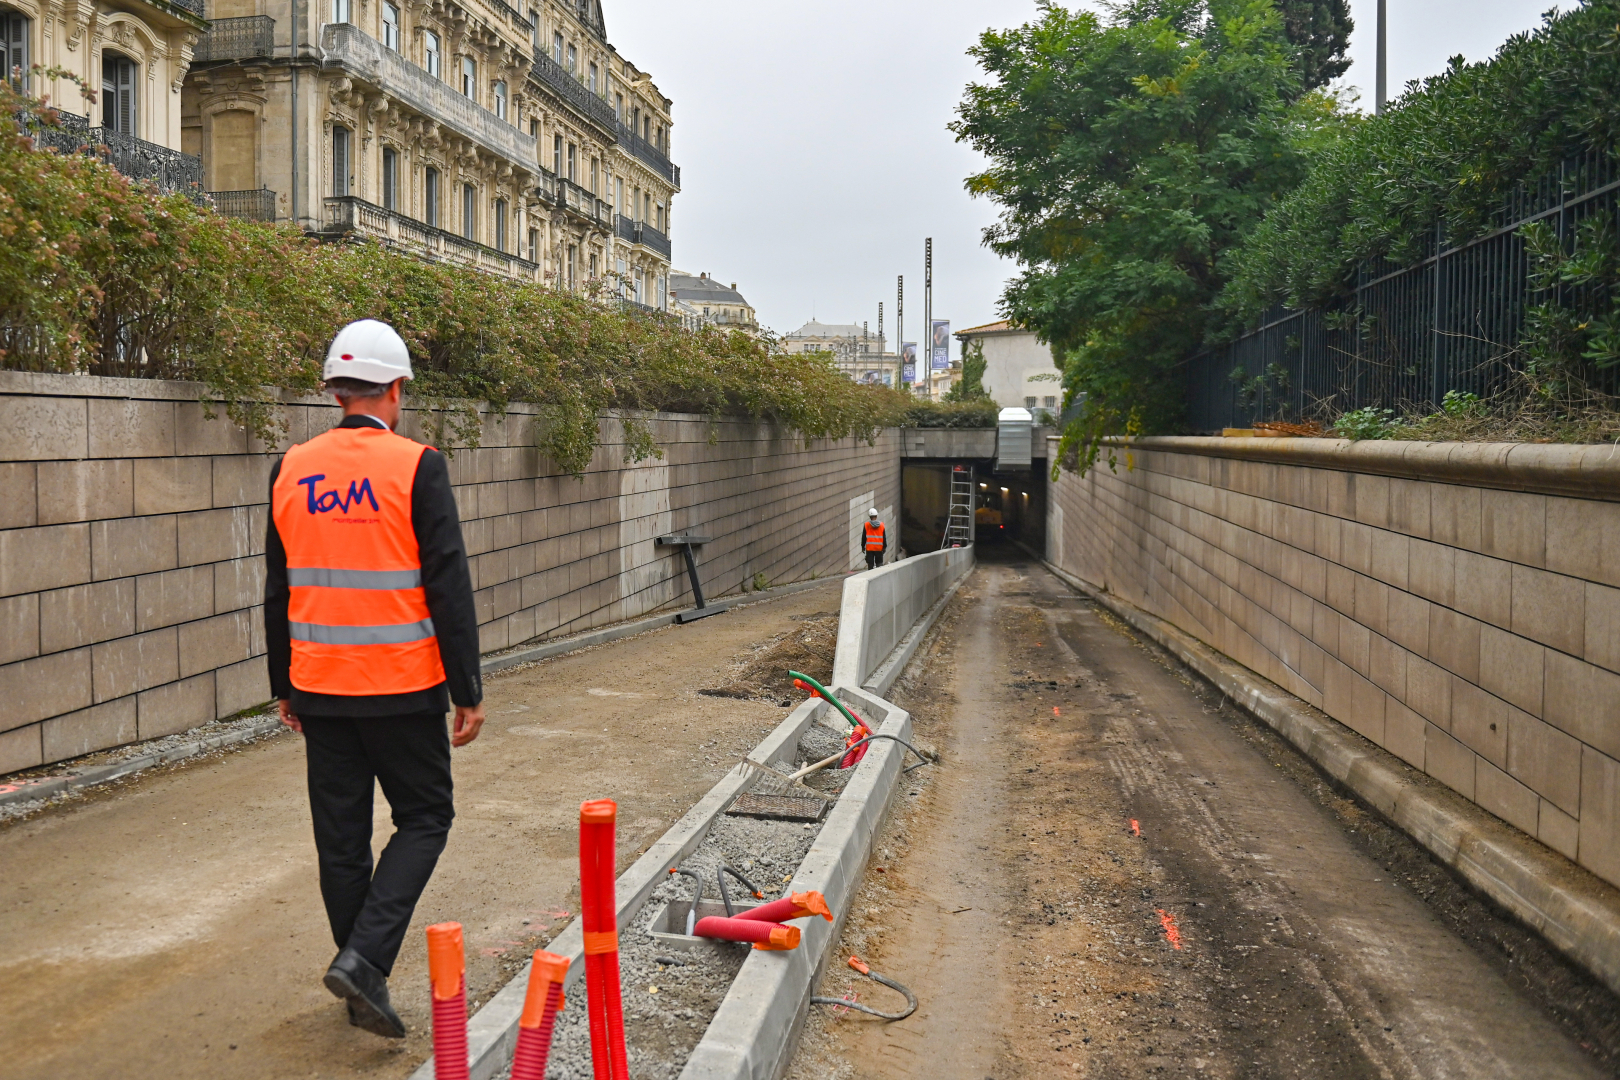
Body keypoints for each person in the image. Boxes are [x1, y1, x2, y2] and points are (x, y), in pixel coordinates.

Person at [263, 319, 485, 1038]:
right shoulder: (417, 465)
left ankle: (360, 971)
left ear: (334, 392)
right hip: (401, 683)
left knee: (341, 839)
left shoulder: (290, 467)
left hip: (321, 685)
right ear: (394, 391)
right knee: (425, 817)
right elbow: (447, 584)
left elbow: (279, 586)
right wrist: (467, 688)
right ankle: (363, 962)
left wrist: (284, 684)